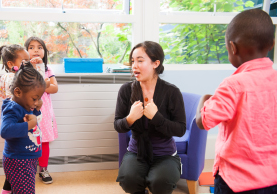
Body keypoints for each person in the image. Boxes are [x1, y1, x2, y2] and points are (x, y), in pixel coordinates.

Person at [196, 9, 277, 194]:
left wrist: (204, 99)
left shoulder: (233, 85)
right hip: (272, 179)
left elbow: (204, 121)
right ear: (271, 44)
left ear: (233, 48)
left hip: (235, 182)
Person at [114, 41, 186, 194]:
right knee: (128, 181)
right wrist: (130, 119)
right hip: (136, 152)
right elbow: (117, 125)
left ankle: (172, 167)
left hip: (165, 153)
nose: (134, 65)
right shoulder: (126, 90)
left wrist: (157, 117)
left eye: (140, 60)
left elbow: (180, 129)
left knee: (160, 182)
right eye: (132, 61)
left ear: (156, 63)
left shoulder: (171, 92)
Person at [0, 44, 30, 194]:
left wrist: (5, 93)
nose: (27, 64)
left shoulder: (4, 77)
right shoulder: (18, 77)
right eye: (24, 61)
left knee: (12, 151)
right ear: (11, 64)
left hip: (8, 114)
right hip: (18, 116)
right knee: (17, 152)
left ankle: (7, 188)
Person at [0, 63, 46, 194]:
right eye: (34, 98)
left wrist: (36, 110)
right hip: (19, 160)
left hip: (27, 157)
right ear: (18, 92)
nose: (37, 102)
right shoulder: (12, 109)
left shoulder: (25, 104)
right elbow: (5, 131)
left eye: (39, 99)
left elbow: (32, 120)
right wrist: (29, 125)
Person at [25, 36, 58, 184]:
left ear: (44, 52)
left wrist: (42, 84)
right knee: (27, 141)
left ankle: (43, 169)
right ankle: (27, 170)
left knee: (43, 141)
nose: (36, 50)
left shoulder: (47, 69)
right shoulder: (23, 68)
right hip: (27, 111)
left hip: (44, 113)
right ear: (26, 52)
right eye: (31, 47)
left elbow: (54, 88)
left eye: (39, 47)